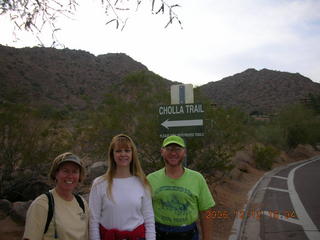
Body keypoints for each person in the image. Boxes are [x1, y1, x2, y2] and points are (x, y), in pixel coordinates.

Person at [147, 135, 215, 240]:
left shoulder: (197, 178)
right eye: (169, 149)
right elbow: (144, 212)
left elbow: (206, 211)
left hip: (188, 234)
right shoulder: (150, 179)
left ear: (185, 152)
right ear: (162, 151)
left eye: (178, 149)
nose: (173, 153)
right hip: (159, 233)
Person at [89, 133, 155, 240]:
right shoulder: (99, 183)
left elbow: (149, 219)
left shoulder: (142, 182)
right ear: (112, 154)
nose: (123, 154)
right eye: (118, 151)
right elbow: (93, 220)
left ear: (132, 154)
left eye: (127, 150)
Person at [23, 152, 89, 240]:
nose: (70, 176)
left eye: (75, 171)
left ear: (79, 175)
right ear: (56, 174)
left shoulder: (82, 203)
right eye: (65, 171)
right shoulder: (42, 204)